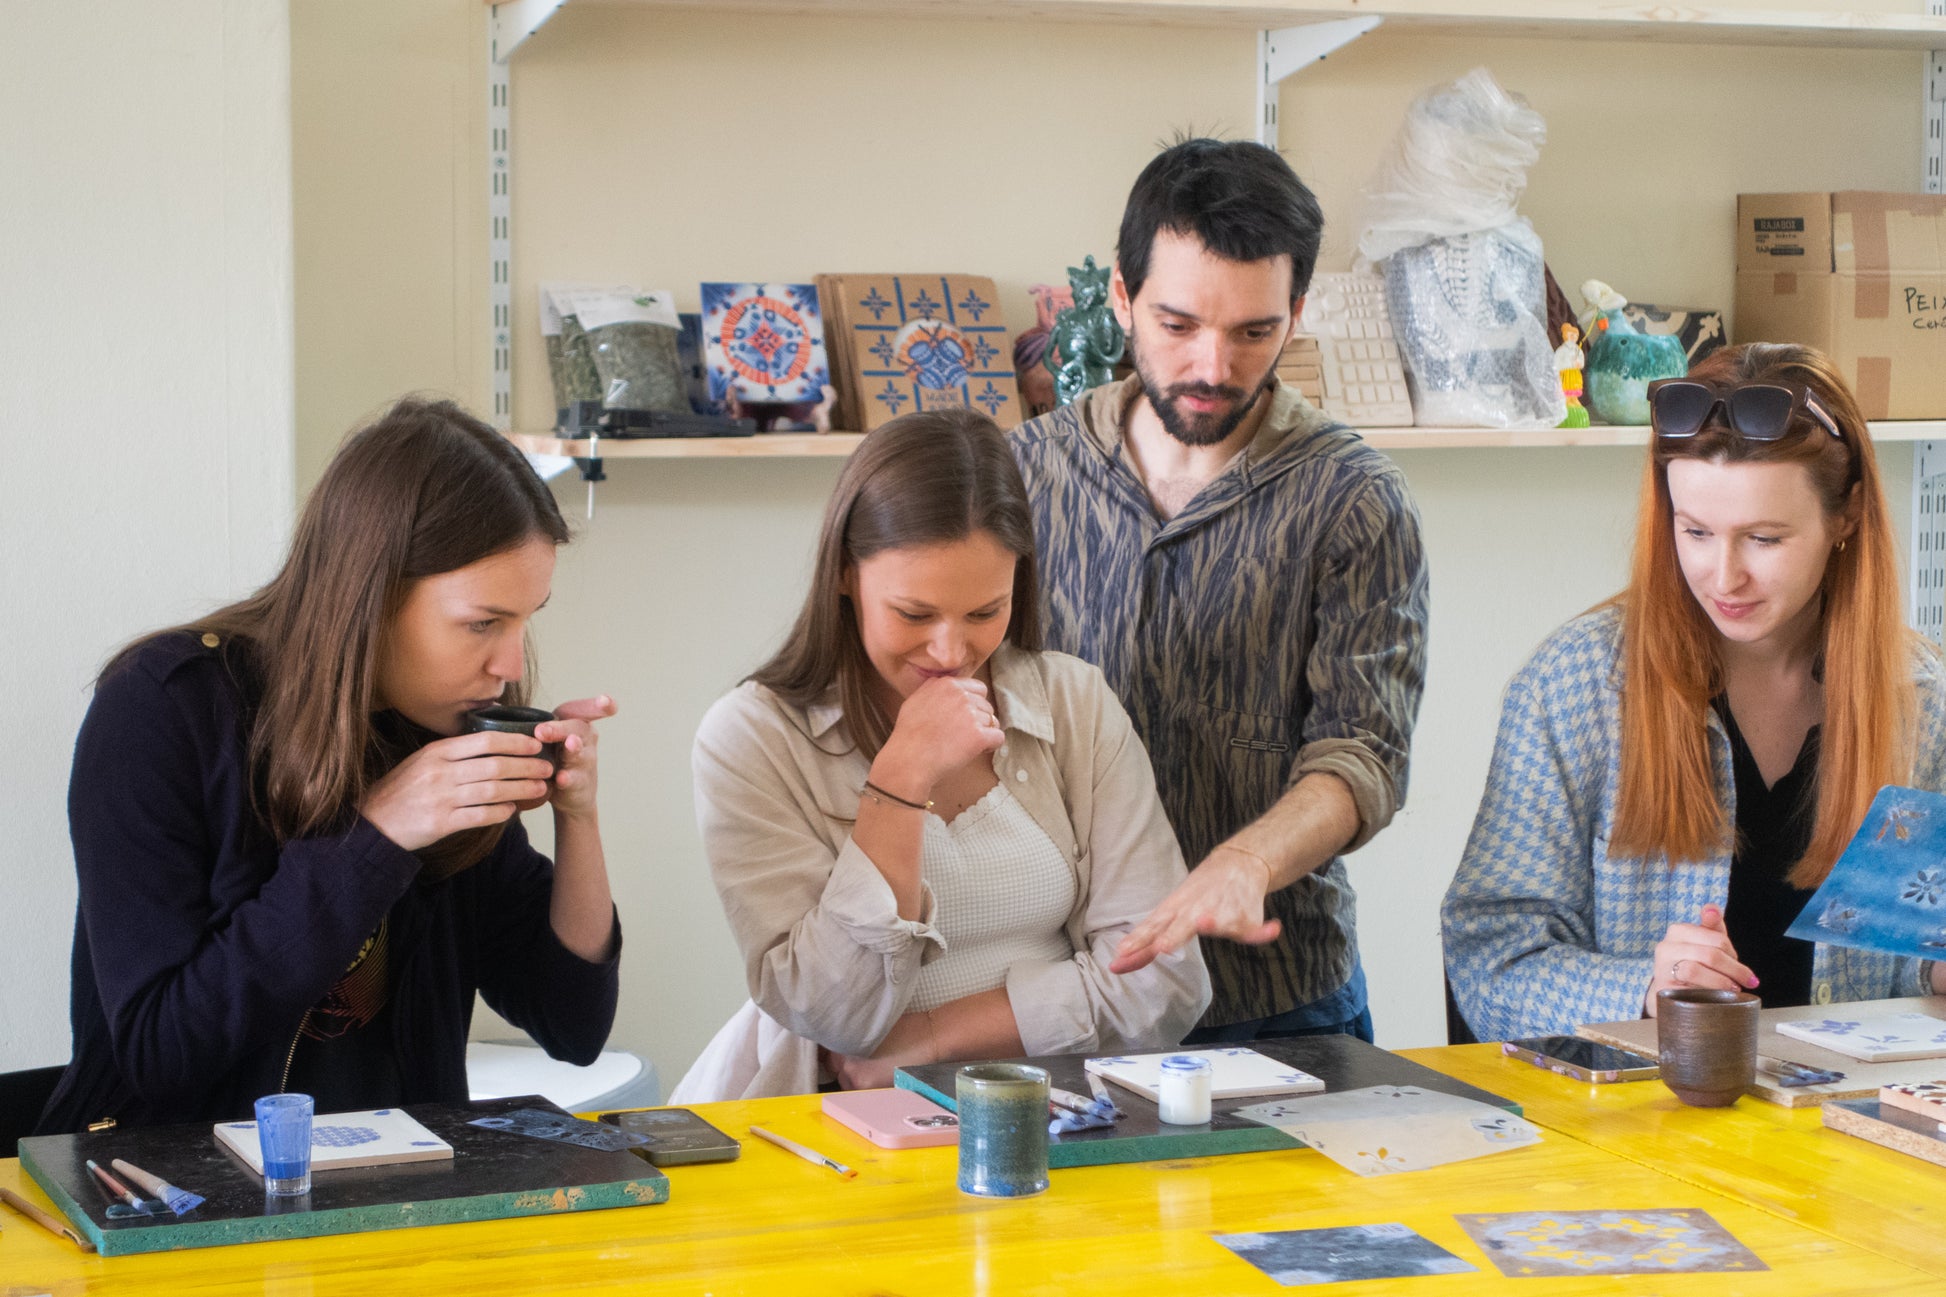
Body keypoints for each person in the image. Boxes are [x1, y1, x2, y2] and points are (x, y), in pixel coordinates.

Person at [39, 397, 622, 1133]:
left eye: (526, 619)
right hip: (169, 1180)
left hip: (397, 1178)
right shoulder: (163, 708)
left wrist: (578, 818)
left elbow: (574, 1025)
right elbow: (160, 1052)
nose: (508, 666)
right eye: (482, 623)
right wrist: (374, 841)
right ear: (370, 594)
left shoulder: (440, 724)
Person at [1009, 138, 1429, 1043]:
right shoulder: (1024, 475)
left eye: (1252, 332)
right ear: (1121, 297)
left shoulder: (1354, 498)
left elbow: (1363, 750)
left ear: (1296, 313)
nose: (1211, 366)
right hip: (1066, 991)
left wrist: (1249, 859)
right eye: (1178, 324)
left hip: (1279, 997)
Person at [673, 408, 1209, 1101]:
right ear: (844, 575)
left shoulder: (1075, 703)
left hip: (1057, 1106)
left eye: (986, 612)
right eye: (914, 614)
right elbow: (829, 1013)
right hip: (841, 1117)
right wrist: (899, 781)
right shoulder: (751, 736)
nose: (952, 652)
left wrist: (934, 1038)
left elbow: (1167, 981)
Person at [1443, 343, 1946, 1042]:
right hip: (1638, 1106)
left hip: (1839, 1108)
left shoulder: (1922, 702)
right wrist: (1647, 990)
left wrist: (1934, 967)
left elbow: (1910, 954)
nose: (1724, 576)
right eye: (1696, 532)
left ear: (1848, 515)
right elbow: (1489, 958)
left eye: (1764, 538)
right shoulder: (1574, 688)